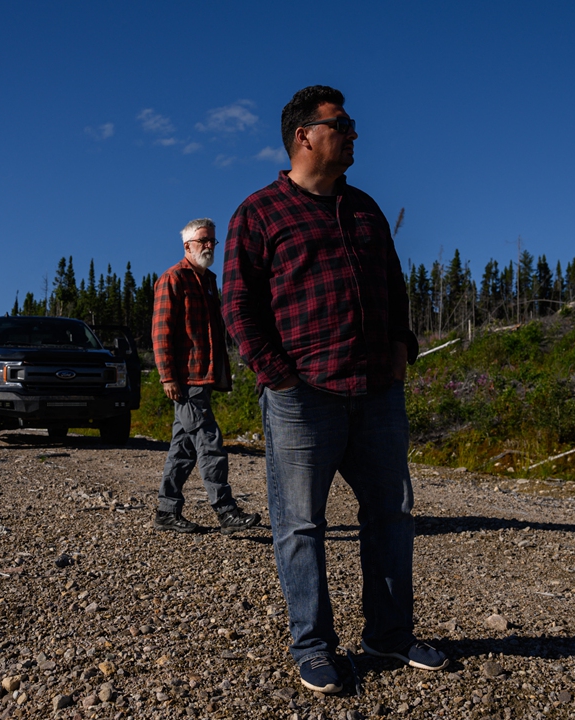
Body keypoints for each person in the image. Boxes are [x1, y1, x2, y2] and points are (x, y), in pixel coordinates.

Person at [221, 86, 449, 694]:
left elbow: (396, 287)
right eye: (341, 124)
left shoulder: (366, 208)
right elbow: (238, 304)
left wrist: (402, 350)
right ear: (305, 135)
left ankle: (389, 636)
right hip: (303, 396)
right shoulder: (260, 212)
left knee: (392, 515)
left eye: (351, 124)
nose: (353, 134)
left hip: (376, 391)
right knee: (300, 525)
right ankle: (313, 646)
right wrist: (276, 375)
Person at [151, 218, 260, 535]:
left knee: (183, 448)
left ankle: (166, 511)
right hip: (186, 380)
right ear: (187, 246)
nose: (210, 245)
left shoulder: (209, 281)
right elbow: (161, 334)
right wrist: (168, 377)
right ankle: (226, 512)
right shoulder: (173, 279)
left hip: (204, 376)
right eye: (203, 241)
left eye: (213, 240)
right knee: (209, 443)